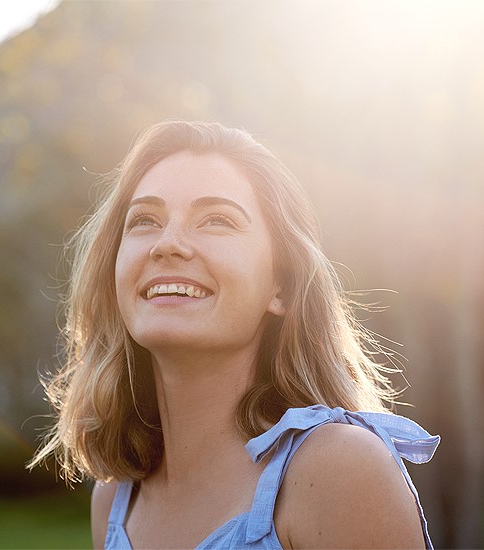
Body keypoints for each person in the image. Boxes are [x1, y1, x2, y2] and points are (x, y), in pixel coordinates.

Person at [29, 120, 440, 549]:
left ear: (280, 286)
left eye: (217, 220)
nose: (167, 244)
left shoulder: (340, 470)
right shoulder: (113, 501)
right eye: (145, 220)